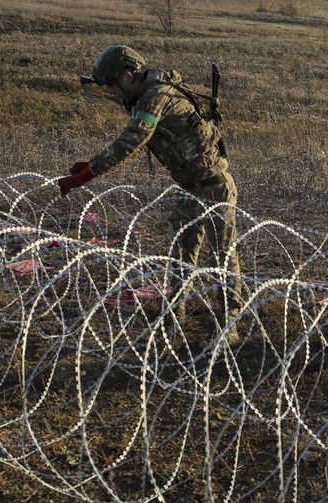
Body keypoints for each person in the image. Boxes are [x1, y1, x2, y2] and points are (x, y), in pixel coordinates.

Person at [59, 45, 243, 321]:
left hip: (214, 184)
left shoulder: (155, 96)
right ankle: (175, 313)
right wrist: (89, 165)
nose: (111, 91)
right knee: (183, 253)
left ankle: (230, 323)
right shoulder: (147, 95)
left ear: (129, 74)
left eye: (112, 84)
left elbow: (131, 141)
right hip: (189, 187)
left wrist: (85, 176)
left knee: (222, 259)